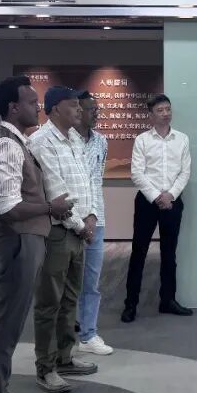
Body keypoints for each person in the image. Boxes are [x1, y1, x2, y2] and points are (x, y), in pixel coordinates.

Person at [0, 76, 73, 393]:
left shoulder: (18, 142)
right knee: (6, 325)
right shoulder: (6, 145)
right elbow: (10, 207)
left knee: (12, 323)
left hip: (25, 241)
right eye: (32, 102)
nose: (38, 107)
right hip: (17, 243)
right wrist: (51, 207)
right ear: (13, 107)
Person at [28, 86, 100, 393]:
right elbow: (55, 190)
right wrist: (81, 225)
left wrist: (91, 215)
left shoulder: (74, 139)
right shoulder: (41, 141)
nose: (80, 110)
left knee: (71, 297)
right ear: (56, 108)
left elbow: (88, 181)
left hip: (79, 229)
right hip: (58, 232)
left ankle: (65, 356)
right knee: (50, 301)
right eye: (73, 106)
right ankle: (45, 367)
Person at [122, 94, 193, 323]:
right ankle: (130, 304)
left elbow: (185, 172)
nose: (165, 113)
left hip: (173, 201)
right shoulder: (142, 140)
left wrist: (170, 195)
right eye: (160, 110)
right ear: (151, 115)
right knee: (139, 252)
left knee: (169, 253)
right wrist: (156, 197)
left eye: (168, 109)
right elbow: (137, 173)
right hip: (147, 202)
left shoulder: (182, 139)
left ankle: (168, 300)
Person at [71, 91, 114, 355]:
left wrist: (94, 215)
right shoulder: (65, 141)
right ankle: (64, 335)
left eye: (97, 109)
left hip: (95, 221)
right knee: (65, 282)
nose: (95, 113)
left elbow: (96, 181)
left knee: (91, 281)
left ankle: (88, 334)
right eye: (90, 109)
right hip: (68, 221)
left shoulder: (101, 141)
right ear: (77, 111)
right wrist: (79, 219)